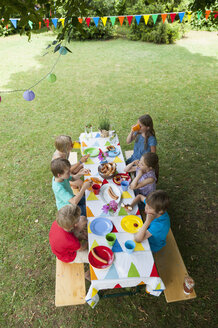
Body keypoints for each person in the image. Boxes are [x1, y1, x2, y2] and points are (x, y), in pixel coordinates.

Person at [49, 204, 90, 280]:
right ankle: (88, 275)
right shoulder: (71, 241)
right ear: (74, 225)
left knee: (83, 219)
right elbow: (82, 248)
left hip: (62, 242)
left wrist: (80, 234)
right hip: (68, 257)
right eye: (78, 218)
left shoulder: (58, 222)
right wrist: (88, 240)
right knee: (92, 257)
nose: (79, 217)